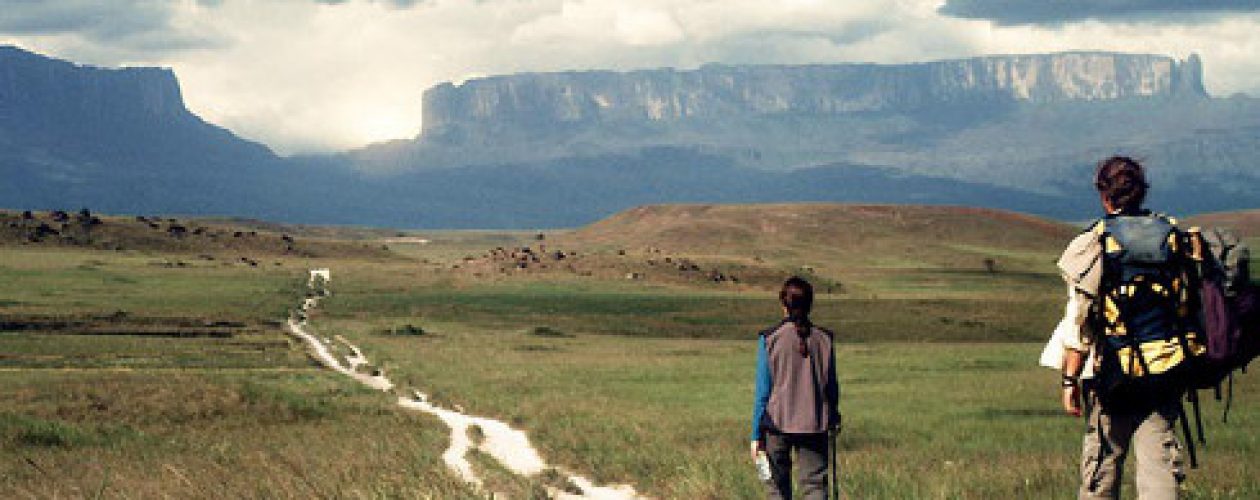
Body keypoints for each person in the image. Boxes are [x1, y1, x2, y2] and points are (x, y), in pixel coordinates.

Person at [1051, 156, 1193, 500]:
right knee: (1159, 468)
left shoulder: (1095, 243)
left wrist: (1070, 380)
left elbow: (1079, 322)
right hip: (1165, 370)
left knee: (1101, 469)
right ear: (1142, 193)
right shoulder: (1173, 237)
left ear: (1105, 195)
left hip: (1113, 375)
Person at [750, 276, 841, 500]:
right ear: (810, 305)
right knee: (815, 487)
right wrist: (833, 416)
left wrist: (755, 434)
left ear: (784, 304)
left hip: (776, 423)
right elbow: (832, 388)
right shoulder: (825, 339)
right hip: (815, 423)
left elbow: (763, 392)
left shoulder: (769, 339)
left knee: (777, 490)